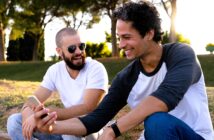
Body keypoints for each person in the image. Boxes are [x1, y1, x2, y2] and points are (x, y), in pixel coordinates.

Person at [33, 1, 214, 140]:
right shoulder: (126, 78)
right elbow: (95, 119)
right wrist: (52, 127)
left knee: (157, 121)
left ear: (149, 33)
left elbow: (164, 99)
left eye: (127, 37)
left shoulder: (181, 54)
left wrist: (114, 129)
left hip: (195, 135)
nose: (121, 45)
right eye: (119, 38)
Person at [7, 27, 109, 140]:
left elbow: (87, 108)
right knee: (14, 121)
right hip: (61, 128)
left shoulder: (96, 69)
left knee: (70, 134)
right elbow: (32, 101)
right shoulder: (55, 70)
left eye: (81, 46)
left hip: (89, 129)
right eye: (72, 49)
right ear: (59, 51)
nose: (79, 52)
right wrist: (30, 116)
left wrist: (49, 112)